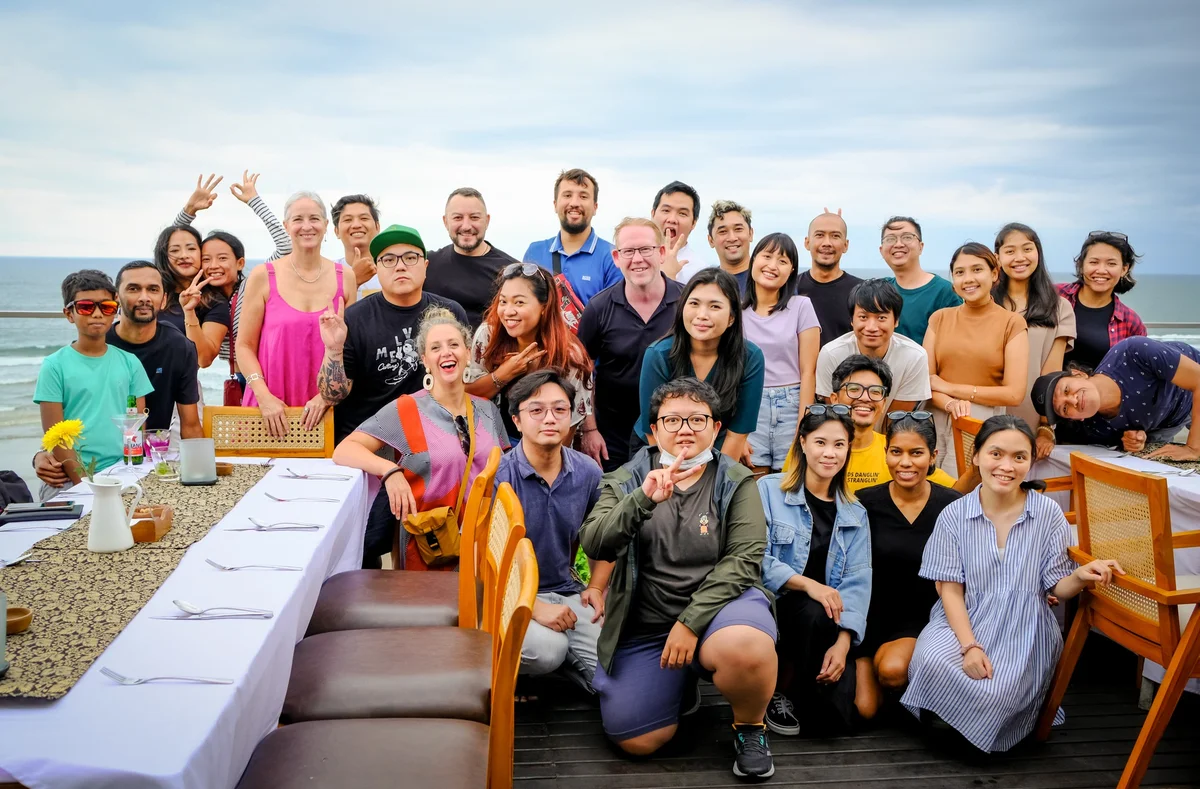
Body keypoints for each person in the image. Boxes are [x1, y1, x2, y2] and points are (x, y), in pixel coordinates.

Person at [580, 378, 779, 780]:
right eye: (672, 420)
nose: (685, 429)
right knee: (635, 738)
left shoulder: (734, 479)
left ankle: (750, 727)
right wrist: (642, 500)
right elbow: (595, 541)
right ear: (653, 431)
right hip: (649, 623)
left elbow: (744, 560)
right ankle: (679, 683)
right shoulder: (625, 479)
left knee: (745, 647)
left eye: (697, 419)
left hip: (722, 611)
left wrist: (689, 623)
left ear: (716, 428)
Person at [900, 415, 1123, 753]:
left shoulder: (1047, 514)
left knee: (997, 690)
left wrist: (1080, 576)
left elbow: (1056, 589)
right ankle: (950, 725)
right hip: (965, 617)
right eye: (996, 454)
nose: (1006, 466)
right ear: (977, 456)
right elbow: (950, 591)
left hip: (1025, 626)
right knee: (931, 660)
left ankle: (972, 730)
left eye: (1019, 457)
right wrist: (969, 647)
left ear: (1030, 462)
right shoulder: (954, 515)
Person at [331, 307, 510, 569]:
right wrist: (389, 471)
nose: (446, 352)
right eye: (436, 348)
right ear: (425, 360)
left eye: (454, 345)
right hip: (431, 552)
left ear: (467, 353)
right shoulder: (406, 409)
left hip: (485, 548)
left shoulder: (488, 410)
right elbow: (344, 450)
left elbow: (505, 473)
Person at [759, 405, 871, 737]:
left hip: (829, 622)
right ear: (803, 443)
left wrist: (844, 642)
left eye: (839, 444)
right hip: (777, 606)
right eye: (820, 442)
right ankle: (778, 690)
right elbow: (754, 558)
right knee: (812, 609)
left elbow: (857, 582)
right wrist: (809, 585)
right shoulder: (769, 490)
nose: (829, 453)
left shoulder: (855, 513)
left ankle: (804, 690)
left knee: (836, 723)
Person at [494, 369, 607, 689]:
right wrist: (532, 606)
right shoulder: (500, 477)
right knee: (548, 651)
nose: (549, 418)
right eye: (537, 410)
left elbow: (604, 537)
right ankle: (531, 667)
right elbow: (483, 565)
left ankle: (562, 665)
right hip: (508, 597)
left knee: (613, 666)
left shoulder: (587, 472)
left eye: (559, 409)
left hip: (565, 591)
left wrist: (596, 587)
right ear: (516, 421)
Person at [316, 224, 469, 444]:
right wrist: (333, 350)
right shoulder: (354, 319)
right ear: (377, 268)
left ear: (425, 266)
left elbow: (464, 381)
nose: (400, 266)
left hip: (434, 438)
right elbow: (332, 397)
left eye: (410, 258)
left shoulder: (450, 313)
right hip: (366, 440)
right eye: (388, 260)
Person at [853, 414, 962, 721]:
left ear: (933, 457)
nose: (905, 462)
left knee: (892, 671)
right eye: (896, 452)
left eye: (916, 453)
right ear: (886, 453)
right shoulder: (864, 502)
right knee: (864, 709)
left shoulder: (952, 505)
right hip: (872, 616)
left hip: (922, 618)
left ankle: (914, 682)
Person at [236, 191, 357, 436]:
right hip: (270, 410)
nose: (306, 226)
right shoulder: (262, 276)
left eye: (314, 218)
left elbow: (353, 352)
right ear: (286, 226)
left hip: (326, 411)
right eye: (298, 219)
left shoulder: (346, 276)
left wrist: (325, 397)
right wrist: (263, 396)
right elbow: (245, 346)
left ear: (326, 225)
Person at [32, 270, 152, 498]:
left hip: (120, 472)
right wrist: (86, 484)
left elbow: (137, 427)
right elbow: (55, 435)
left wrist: (129, 473)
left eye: (106, 307)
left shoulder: (130, 363)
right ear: (69, 314)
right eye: (86, 307)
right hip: (69, 478)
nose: (97, 314)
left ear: (115, 311)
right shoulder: (54, 365)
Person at [577, 218, 684, 471]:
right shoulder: (599, 308)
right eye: (628, 251)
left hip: (676, 432)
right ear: (616, 257)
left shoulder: (687, 302)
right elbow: (581, 371)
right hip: (612, 437)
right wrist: (589, 430)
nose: (637, 259)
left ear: (661, 253)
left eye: (645, 249)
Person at [635, 268, 764, 464]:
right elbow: (653, 431)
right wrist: (676, 475)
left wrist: (718, 478)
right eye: (694, 303)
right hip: (660, 451)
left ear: (731, 317)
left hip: (718, 449)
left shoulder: (750, 357)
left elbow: (737, 434)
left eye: (715, 306)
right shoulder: (658, 355)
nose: (702, 315)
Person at [924, 243, 1029, 477]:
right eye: (960, 272)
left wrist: (951, 389)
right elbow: (926, 381)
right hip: (935, 417)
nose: (968, 279)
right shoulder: (939, 319)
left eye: (977, 270)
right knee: (927, 489)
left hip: (980, 423)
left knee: (962, 490)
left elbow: (1014, 394)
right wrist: (950, 403)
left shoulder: (1012, 323)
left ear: (994, 274)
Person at [169, 171, 293, 363]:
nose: (214, 266)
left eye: (222, 258)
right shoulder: (203, 296)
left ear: (240, 263)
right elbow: (170, 250)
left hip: (265, 370)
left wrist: (254, 201)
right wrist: (189, 210)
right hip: (236, 373)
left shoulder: (251, 285)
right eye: (206, 259)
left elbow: (286, 247)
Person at [465, 263, 594, 443]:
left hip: (546, 447)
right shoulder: (489, 335)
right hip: (491, 442)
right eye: (503, 301)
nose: (508, 311)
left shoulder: (569, 355)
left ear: (544, 306)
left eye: (519, 302)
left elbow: (565, 432)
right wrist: (502, 375)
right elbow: (468, 395)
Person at [1031, 337, 1200, 460]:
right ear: (1075, 418)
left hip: (1193, 385)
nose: (1073, 401)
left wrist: (1193, 448)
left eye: (1067, 390)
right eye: (1065, 409)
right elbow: (1133, 440)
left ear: (1078, 374)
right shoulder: (1095, 429)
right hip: (1168, 420)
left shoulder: (1133, 352)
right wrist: (1136, 440)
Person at [804, 355, 955, 492]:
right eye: (854, 389)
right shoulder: (813, 448)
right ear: (834, 399)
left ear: (883, 403)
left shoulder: (897, 450)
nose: (865, 397)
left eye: (875, 391)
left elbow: (956, 491)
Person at [992, 223, 1076, 458]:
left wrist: (1045, 427)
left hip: (1030, 415)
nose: (1020, 257)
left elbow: (1052, 373)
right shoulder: (986, 303)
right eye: (1010, 251)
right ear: (997, 258)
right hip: (986, 410)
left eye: (1027, 249)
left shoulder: (1059, 307)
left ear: (1038, 252)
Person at [741, 232, 821, 474]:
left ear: (791, 271)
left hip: (792, 403)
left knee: (789, 483)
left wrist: (803, 426)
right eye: (767, 256)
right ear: (754, 260)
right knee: (753, 484)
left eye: (783, 261)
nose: (772, 265)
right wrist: (737, 433)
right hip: (749, 404)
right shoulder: (735, 311)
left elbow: (809, 372)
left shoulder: (801, 307)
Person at [105, 261, 203, 444]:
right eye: (134, 289)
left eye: (153, 289)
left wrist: (199, 461)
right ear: (116, 297)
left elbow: (190, 425)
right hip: (102, 452)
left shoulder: (179, 347)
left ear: (164, 299)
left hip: (154, 452)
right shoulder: (101, 344)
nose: (144, 298)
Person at [815, 279, 931, 417]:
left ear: (896, 321)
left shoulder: (914, 357)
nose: (871, 327)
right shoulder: (831, 354)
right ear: (852, 320)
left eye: (881, 318)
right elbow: (835, 413)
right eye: (863, 317)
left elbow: (896, 420)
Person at [522, 168, 621, 307]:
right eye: (567, 195)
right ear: (555, 204)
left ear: (595, 207)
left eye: (583, 196)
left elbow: (614, 312)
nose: (574, 203)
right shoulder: (535, 252)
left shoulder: (612, 256)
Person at [423, 187, 517, 328]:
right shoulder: (426, 265)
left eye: (474, 217)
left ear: (487, 221)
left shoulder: (511, 271)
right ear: (445, 221)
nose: (466, 226)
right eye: (458, 218)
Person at [1057, 231, 1147, 372]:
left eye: (1111, 264)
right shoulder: (1054, 295)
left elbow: (1136, 372)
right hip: (1043, 384)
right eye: (1094, 262)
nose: (1101, 270)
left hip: (1096, 386)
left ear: (1124, 269)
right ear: (1081, 265)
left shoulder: (1131, 322)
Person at [879, 216, 960, 344]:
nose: (898, 244)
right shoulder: (880, 290)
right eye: (890, 239)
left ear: (920, 246)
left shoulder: (944, 292)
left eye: (907, 237)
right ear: (881, 250)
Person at [797, 210, 862, 347]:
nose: (827, 243)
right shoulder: (790, 288)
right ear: (807, 242)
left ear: (845, 245)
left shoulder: (861, 292)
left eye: (835, 236)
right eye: (819, 235)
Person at [652, 181, 716, 283]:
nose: (672, 219)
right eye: (666, 210)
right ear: (653, 214)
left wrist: (669, 278)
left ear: (693, 223)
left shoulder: (700, 272)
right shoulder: (634, 257)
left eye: (682, 213)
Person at [331, 194, 383, 299]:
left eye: (364, 218)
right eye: (348, 220)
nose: (356, 225)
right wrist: (354, 279)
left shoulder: (392, 269)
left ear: (377, 227)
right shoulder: (326, 272)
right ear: (337, 231)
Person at [706, 200, 755, 292]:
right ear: (711, 240)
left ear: (750, 234)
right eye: (723, 231)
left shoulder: (767, 278)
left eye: (738, 229)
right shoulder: (705, 284)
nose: (732, 238)